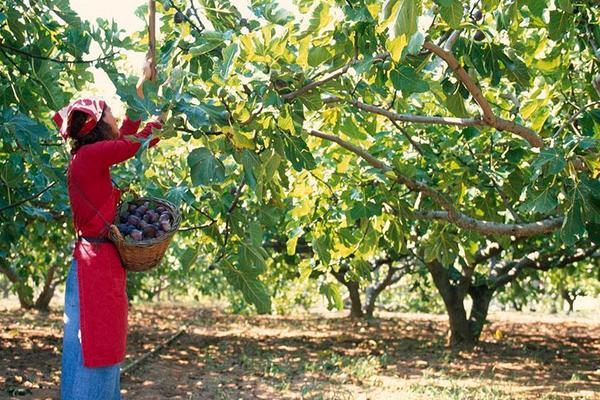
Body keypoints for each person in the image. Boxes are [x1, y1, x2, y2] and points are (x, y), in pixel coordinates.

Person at [57, 60, 163, 399]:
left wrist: (142, 89)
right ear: (98, 126)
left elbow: (128, 136)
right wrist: (158, 118)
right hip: (96, 268)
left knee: (89, 350)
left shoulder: (89, 157)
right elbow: (133, 144)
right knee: (97, 351)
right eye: (110, 115)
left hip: (96, 262)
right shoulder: (90, 158)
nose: (117, 119)